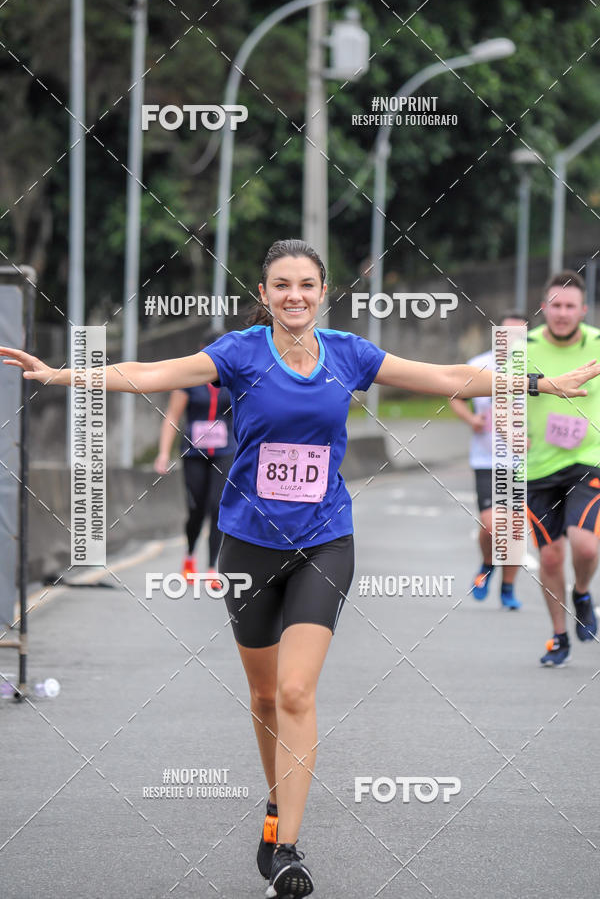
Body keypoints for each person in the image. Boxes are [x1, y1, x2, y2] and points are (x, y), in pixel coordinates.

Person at [2, 241, 597, 898]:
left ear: (323, 290)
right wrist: (64, 375)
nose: (294, 295)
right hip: (248, 544)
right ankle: (274, 807)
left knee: (294, 693)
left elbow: (447, 376)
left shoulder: (349, 354)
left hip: (325, 540)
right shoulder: (239, 353)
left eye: (306, 284)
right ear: (265, 293)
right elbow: (153, 372)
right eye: (281, 284)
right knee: (262, 696)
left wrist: (538, 383)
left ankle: (286, 845)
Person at [526, 270, 600, 667]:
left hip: (586, 459)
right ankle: (559, 636)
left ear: (583, 310)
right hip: (538, 466)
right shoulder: (524, 346)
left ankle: (583, 592)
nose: (562, 312)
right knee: (551, 557)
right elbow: (502, 397)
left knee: (585, 543)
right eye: (556, 305)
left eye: (570, 306)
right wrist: (508, 430)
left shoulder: (598, 345)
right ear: (544, 307)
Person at [449, 311, 528, 610]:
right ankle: (486, 563)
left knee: (515, 529)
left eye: (519, 336)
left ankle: (508, 588)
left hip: (522, 462)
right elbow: (454, 394)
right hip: (487, 459)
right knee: (492, 526)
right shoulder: (479, 365)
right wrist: (471, 419)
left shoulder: (533, 368)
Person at [154, 373, 235, 583]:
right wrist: (164, 453)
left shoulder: (235, 378)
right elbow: (172, 416)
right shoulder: (190, 380)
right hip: (194, 453)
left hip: (225, 453)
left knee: (217, 505)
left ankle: (212, 568)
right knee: (196, 508)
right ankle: (190, 556)